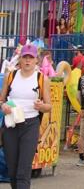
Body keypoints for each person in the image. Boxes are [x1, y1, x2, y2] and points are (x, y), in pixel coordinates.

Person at [0, 44, 51, 189]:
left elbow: (49, 106)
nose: (28, 61)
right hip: (11, 125)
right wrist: (3, 106)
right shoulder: (11, 76)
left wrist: (41, 106)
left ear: (37, 61)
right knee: (12, 169)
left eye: (31, 58)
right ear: (20, 60)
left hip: (30, 125)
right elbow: (1, 99)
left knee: (23, 170)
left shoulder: (42, 79)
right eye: (25, 57)